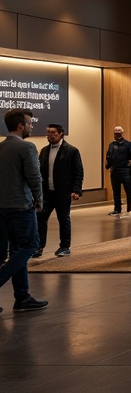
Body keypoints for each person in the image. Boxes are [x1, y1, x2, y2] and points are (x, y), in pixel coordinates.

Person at [1, 109, 47, 312]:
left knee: (14, 250)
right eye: (29, 123)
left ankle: (22, 297)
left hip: (1, 208)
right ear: (20, 126)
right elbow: (34, 177)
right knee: (30, 245)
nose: (31, 126)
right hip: (21, 207)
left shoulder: (0, 147)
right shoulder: (27, 147)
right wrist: (39, 199)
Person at [36, 123, 82, 258]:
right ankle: (39, 247)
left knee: (64, 219)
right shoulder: (44, 150)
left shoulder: (71, 151)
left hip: (63, 192)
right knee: (41, 218)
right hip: (47, 193)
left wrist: (76, 190)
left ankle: (64, 247)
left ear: (61, 133)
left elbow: (78, 172)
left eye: (53, 133)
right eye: (48, 133)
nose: (49, 135)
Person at [104, 125, 131, 217]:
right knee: (116, 191)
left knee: (128, 191)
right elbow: (108, 156)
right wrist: (108, 166)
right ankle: (117, 209)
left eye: (119, 133)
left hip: (125, 171)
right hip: (114, 171)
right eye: (115, 133)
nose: (117, 135)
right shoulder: (112, 145)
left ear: (122, 133)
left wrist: (128, 165)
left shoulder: (128, 144)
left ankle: (130, 209)